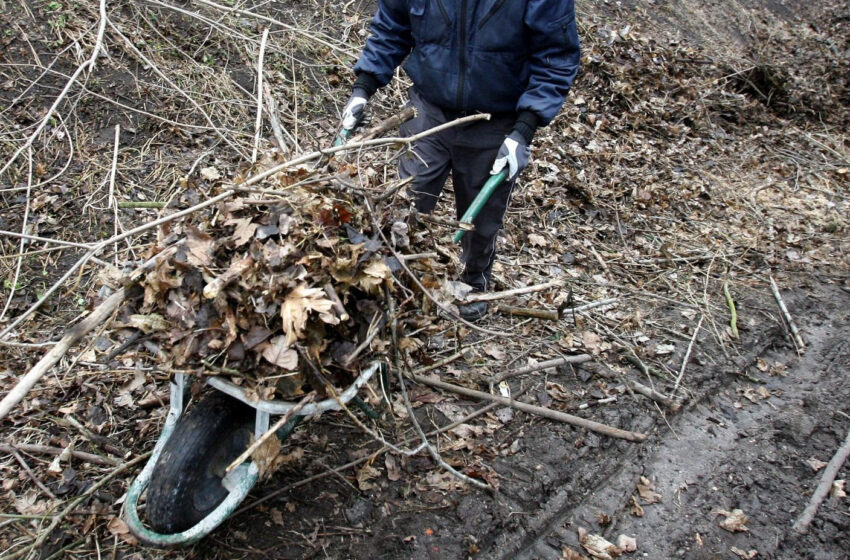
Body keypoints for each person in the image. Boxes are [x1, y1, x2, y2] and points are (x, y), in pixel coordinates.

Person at [339, 1, 580, 321]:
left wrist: (524, 129)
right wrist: (363, 87)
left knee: (480, 217)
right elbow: (392, 28)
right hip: (429, 111)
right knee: (404, 201)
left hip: (496, 119)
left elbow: (556, 56)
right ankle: (393, 278)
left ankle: (472, 280)